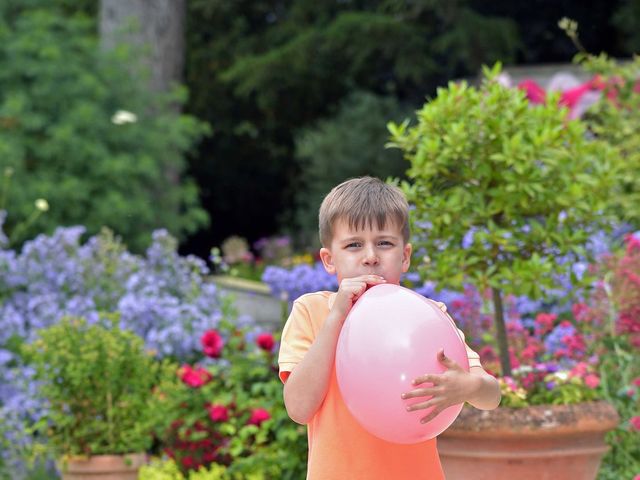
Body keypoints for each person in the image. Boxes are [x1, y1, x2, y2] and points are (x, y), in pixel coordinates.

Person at [278, 176, 501, 479]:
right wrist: (336, 320)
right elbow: (299, 408)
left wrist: (469, 386)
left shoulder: (427, 318)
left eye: (384, 243)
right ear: (330, 260)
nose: (371, 257)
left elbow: (492, 395)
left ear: (405, 256)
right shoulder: (313, 312)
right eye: (354, 245)